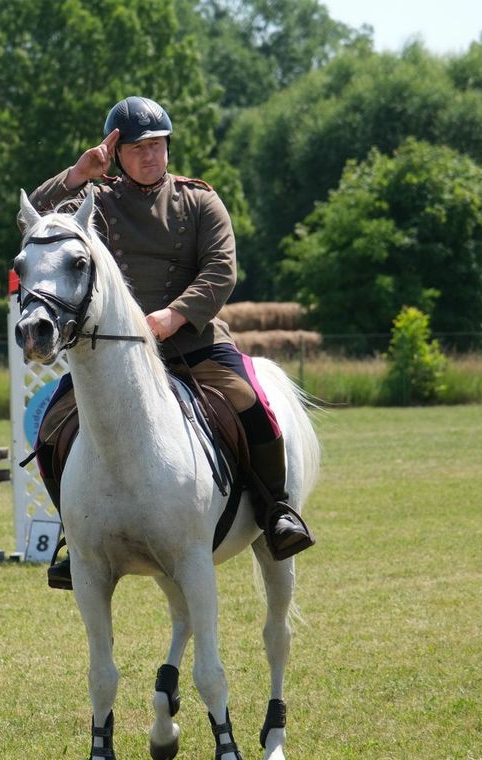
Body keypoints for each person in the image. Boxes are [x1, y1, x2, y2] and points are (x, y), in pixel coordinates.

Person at [24, 96, 314, 591]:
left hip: (195, 343)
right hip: (116, 355)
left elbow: (221, 271)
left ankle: (276, 512)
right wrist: (78, 173)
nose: (151, 156)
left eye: (158, 145)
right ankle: (76, 535)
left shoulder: (200, 201)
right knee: (53, 423)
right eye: (138, 148)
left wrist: (173, 315)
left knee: (252, 405)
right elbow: (40, 227)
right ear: (116, 152)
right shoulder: (98, 200)